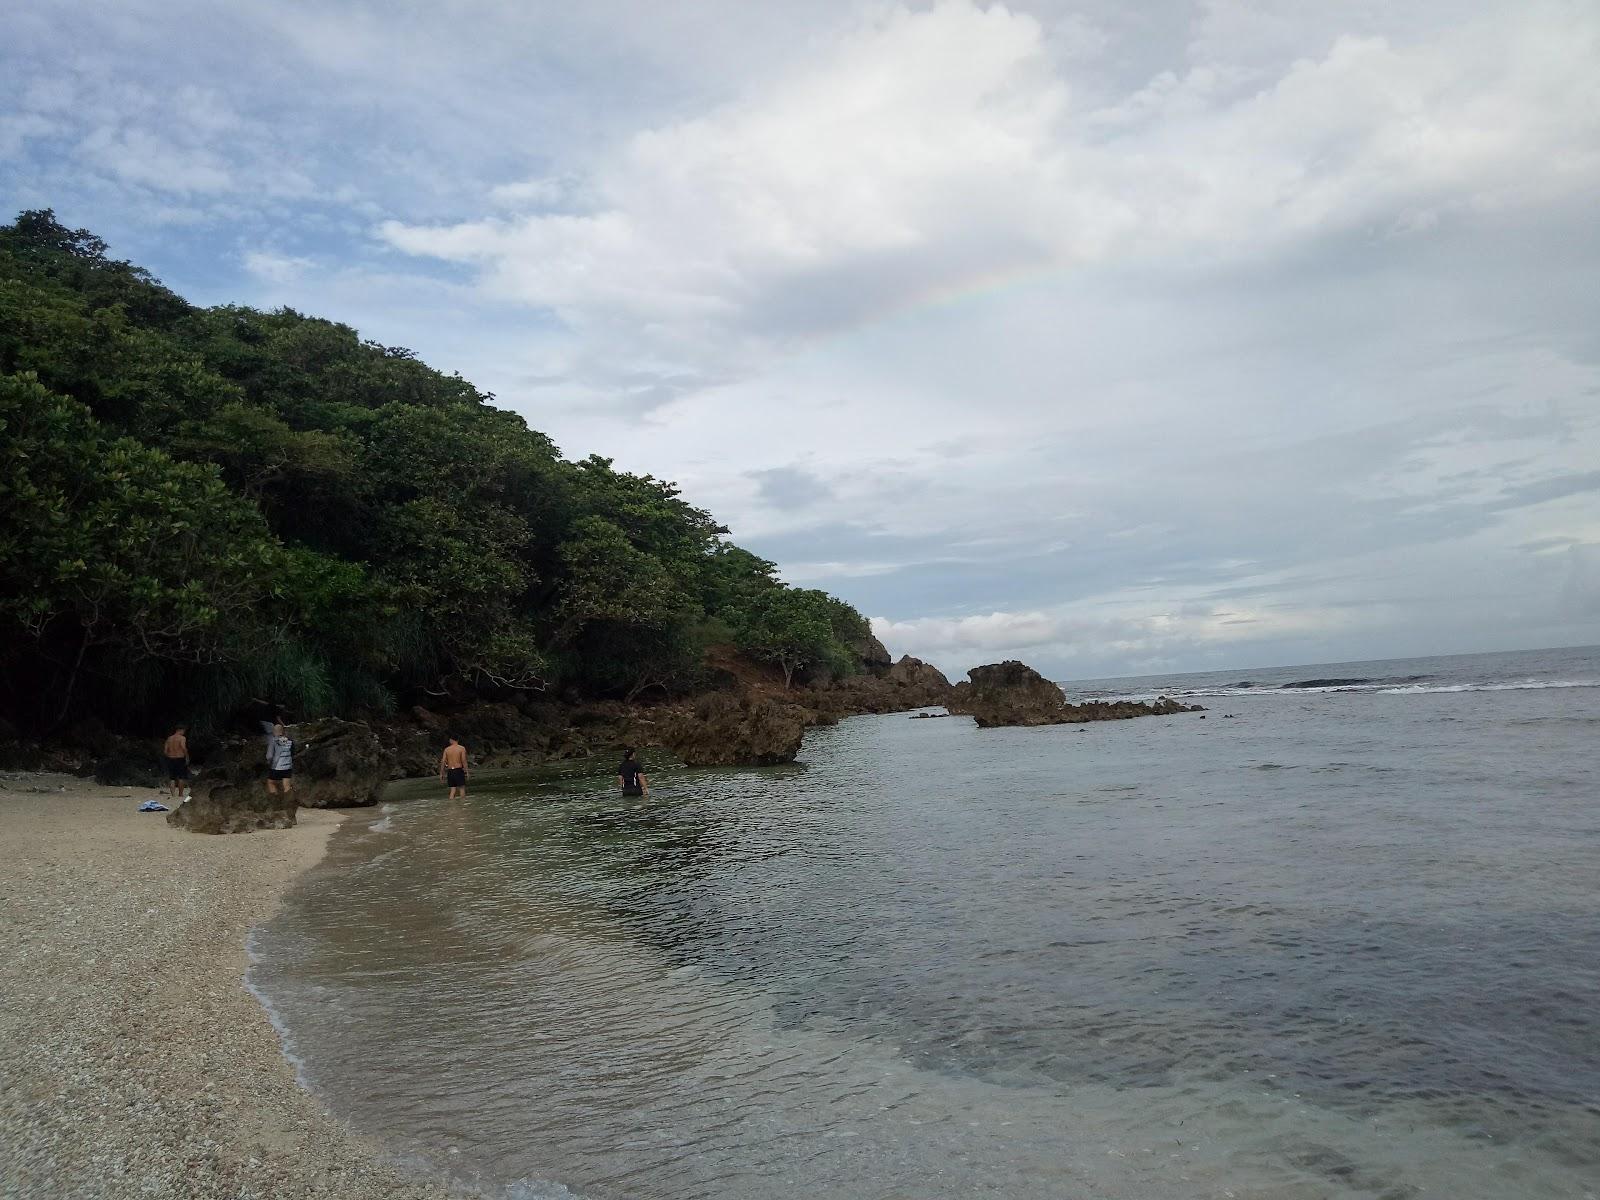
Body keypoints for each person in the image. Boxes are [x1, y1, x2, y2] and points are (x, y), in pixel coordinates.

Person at [162, 724, 190, 802]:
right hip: (180, 758)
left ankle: (173, 795)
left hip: (171, 759)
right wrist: (187, 757)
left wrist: (169, 756)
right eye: (184, 731)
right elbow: (183, 747)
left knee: (172, 777)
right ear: (180, 730)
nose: (184, 732)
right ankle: (180, 794)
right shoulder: (182, 738)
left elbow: (165, 751)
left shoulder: (169, 738)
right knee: (181, 777)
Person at [265, 722, 294, 796]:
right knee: (287, 785)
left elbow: (269, 756)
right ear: (282, 731)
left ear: (274, 732)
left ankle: (276, 799)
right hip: (288, 767)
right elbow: (292, 753)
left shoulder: (273, 741)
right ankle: (289, 801)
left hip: (276, 767)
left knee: (270, 782)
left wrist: (268, 762)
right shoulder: (290, 741)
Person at [439, 735, 469, 800]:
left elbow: (443, 762)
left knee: (452, 789)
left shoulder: (446, 749)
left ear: (452, 740)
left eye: (449, 740)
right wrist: (467, 772)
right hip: (458, 770)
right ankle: (463, 805)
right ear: (458, 740)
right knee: (461, 788)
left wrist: (442, 774)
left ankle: (451, 807)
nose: (449, 741)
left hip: (450, 771)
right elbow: (464, 760)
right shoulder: (461, 748)